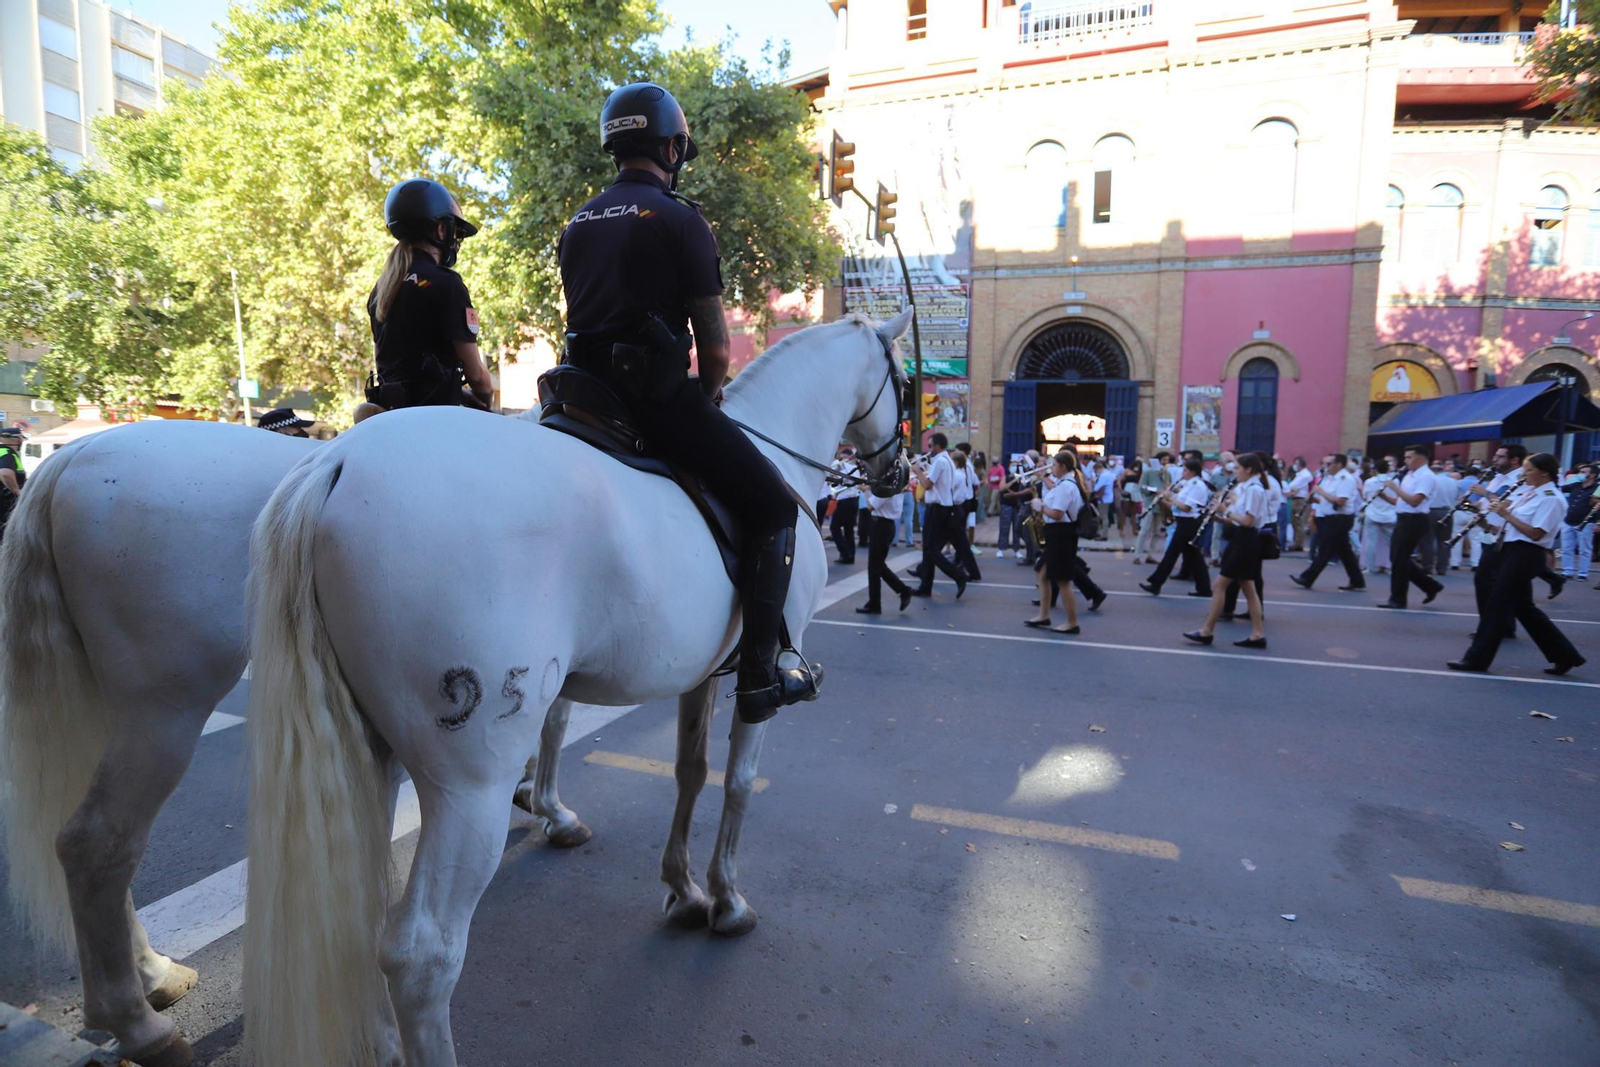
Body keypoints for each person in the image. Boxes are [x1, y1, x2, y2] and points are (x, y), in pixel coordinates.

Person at [558, 82, 819, 723]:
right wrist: (707, 395)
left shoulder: (577, 223)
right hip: (655, 399)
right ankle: (760, 674)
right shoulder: (681, 220)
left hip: (576, 397)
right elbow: (717, 350)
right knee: (774, 504)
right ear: (673, 146)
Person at [1449, 453, 1586, 675]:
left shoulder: (1551, 498)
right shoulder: (1530, 494)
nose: (1524, 474)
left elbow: (1535, 533)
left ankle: (1477, 659)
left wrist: (1505, 513)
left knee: (1497, 604)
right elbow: (1506, 528)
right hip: (1510, 550)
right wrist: (1482, 519)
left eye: (1529, 470)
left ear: (1544, 472)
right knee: (1524, 608)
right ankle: (1565, 655)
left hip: (1527, 554)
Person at [366, 178, 494, 412]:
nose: (456, 242)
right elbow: (477, 376)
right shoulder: (447, 284)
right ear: (441, 229)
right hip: (433, 420)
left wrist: (457, 391)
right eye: (456, 233)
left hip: (390, 415)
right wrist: (485, 395)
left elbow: (392, 367)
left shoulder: (382, 288)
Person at [1183, 451, 1270, 648]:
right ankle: (1257, 633)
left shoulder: (1254, 489)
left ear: (1248, 469)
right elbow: (1240, 518)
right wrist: (1220, 518)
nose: (1235, 473)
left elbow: (1248, 521)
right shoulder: (1247, 488)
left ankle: (1207, 631)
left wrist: (1226, 510)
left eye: (1238, 468)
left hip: (1246, 541)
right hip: (1241, 538)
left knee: (1219, 585)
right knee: (1248, 588)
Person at [1374, 444, 1443, 609]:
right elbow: (1401, 502)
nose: (1406, 461)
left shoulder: (1426, 476)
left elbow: (1414, 501)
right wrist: (1383, 496)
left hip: (1415, 520)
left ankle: (1398, 598)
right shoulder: (1410, 475)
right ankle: (1430, 586)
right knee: (1398, 558)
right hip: (1403, 518)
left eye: (1409, 457)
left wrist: (1395, 488)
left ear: (1421, 458)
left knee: (1399, 559)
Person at [1024, 451, 1084, 634]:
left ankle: (1072, 622)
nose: (1051, 468)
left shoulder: (1066, 486)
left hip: (1062, 534)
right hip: (1057, 534)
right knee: (1042, 573)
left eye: (1054, 465)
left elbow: (1057, 514)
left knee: (1063, 580)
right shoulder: (1062, 484)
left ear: (1063, 466)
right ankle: (1044, 615)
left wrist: (1041, 507)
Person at [1139, 456, 1212, 598]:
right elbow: (1178, 506)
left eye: (1185, 470)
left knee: (1172, 554)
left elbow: (1186, 507)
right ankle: (1204, 588)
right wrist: (1163, 500)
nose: (1183, 473)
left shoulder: (1197, 485)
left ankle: (1156, 583)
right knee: (1194, 558)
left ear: (1192, 471)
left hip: (1189, 523)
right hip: (1184, 522)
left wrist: (1171, 496)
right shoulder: (1189, 484)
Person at [1290, 453, 1365, 592]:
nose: (1326, 467)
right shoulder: (1328, 478)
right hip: (1328, 517)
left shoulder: (1345, 479)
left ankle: (1307, 578)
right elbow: (1326, 500)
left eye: (1329, 464)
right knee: (1345, 551)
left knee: (1325, 550)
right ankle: (1357, 580)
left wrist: (1321, 492)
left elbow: (1340, 501)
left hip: (1339, 519)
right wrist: (1313, 499)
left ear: (1339, 465)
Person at [910, 433, 968, 599]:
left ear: (937, 446)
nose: (928, 449)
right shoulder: (946, 460)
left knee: (930, 549)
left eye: (930, 446)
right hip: (943, 508)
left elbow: (927, 485)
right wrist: (925, 470)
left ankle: (957, 575)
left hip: (937, 508)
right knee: (929, 549)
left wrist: (917, 471)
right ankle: (925, 586)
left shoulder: (940, 461)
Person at [857, 483, 913, 615]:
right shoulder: (896, 487)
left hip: (880, 526)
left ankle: (875, 603)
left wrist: (866, 491)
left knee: (874, 567)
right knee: (878, 565)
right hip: (887, 526)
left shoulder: (886, 488)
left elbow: (870, 506)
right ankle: (903, 590)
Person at [948, 448, 983, 580]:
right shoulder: (967, 468)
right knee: (957, 539)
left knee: (959, 539)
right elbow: (976, 484)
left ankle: (964, 567)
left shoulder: (958, 474)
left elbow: (950, 490)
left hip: (958, 506)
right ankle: (959, 562)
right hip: (964, 503)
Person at [1559, 463, 1597, 581]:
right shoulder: (1576, 485)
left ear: (1593, 475)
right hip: (1568, 520)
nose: (1581, 474)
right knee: (1566, 548)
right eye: (1581, 472)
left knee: (1584, 549)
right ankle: (1567, 571)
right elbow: (1559, 488)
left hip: (1586, 522)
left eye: (1584, 472)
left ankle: (1583, 573)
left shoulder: (1597, 488)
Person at [1359, 459, 1398, 576]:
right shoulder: (1394, 481)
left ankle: (1370, 567)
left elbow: (1365, 496)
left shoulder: (1369, 482)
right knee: (1391, 543)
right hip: (1390, 515)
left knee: (1371, 542)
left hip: (1372, 514)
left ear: (1375, 470)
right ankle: (1390, 566)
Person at [1134, 452, 1171, 563]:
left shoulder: (1167, 473)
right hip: (1150, 503)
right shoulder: (1148, 472)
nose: (1165, 462)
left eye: (1166, 460)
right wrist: (1155, 490)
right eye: (1163, 460)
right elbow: (1142, 487)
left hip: (1162, 505)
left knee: (1157, 532)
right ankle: (1137, 555)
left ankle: (1151, 554)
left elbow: (1169, 486)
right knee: (1144, 530)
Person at [829, 447, 862, 564]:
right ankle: (850, 555)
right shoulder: (847, 468)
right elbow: (834, 480)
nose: (841, 460)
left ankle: (845, 553)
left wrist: (839, 464)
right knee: (848, 529)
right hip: (851, 500)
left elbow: (848, 478)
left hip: (848, 500)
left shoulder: (851, 468)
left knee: (834, 527)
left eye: (842, 457)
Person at [0, 428, 25, 542]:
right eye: (20, 438)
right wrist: (17, 490)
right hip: (5, 506)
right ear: (16, 439)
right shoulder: (7, 452)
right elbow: (5, 473)